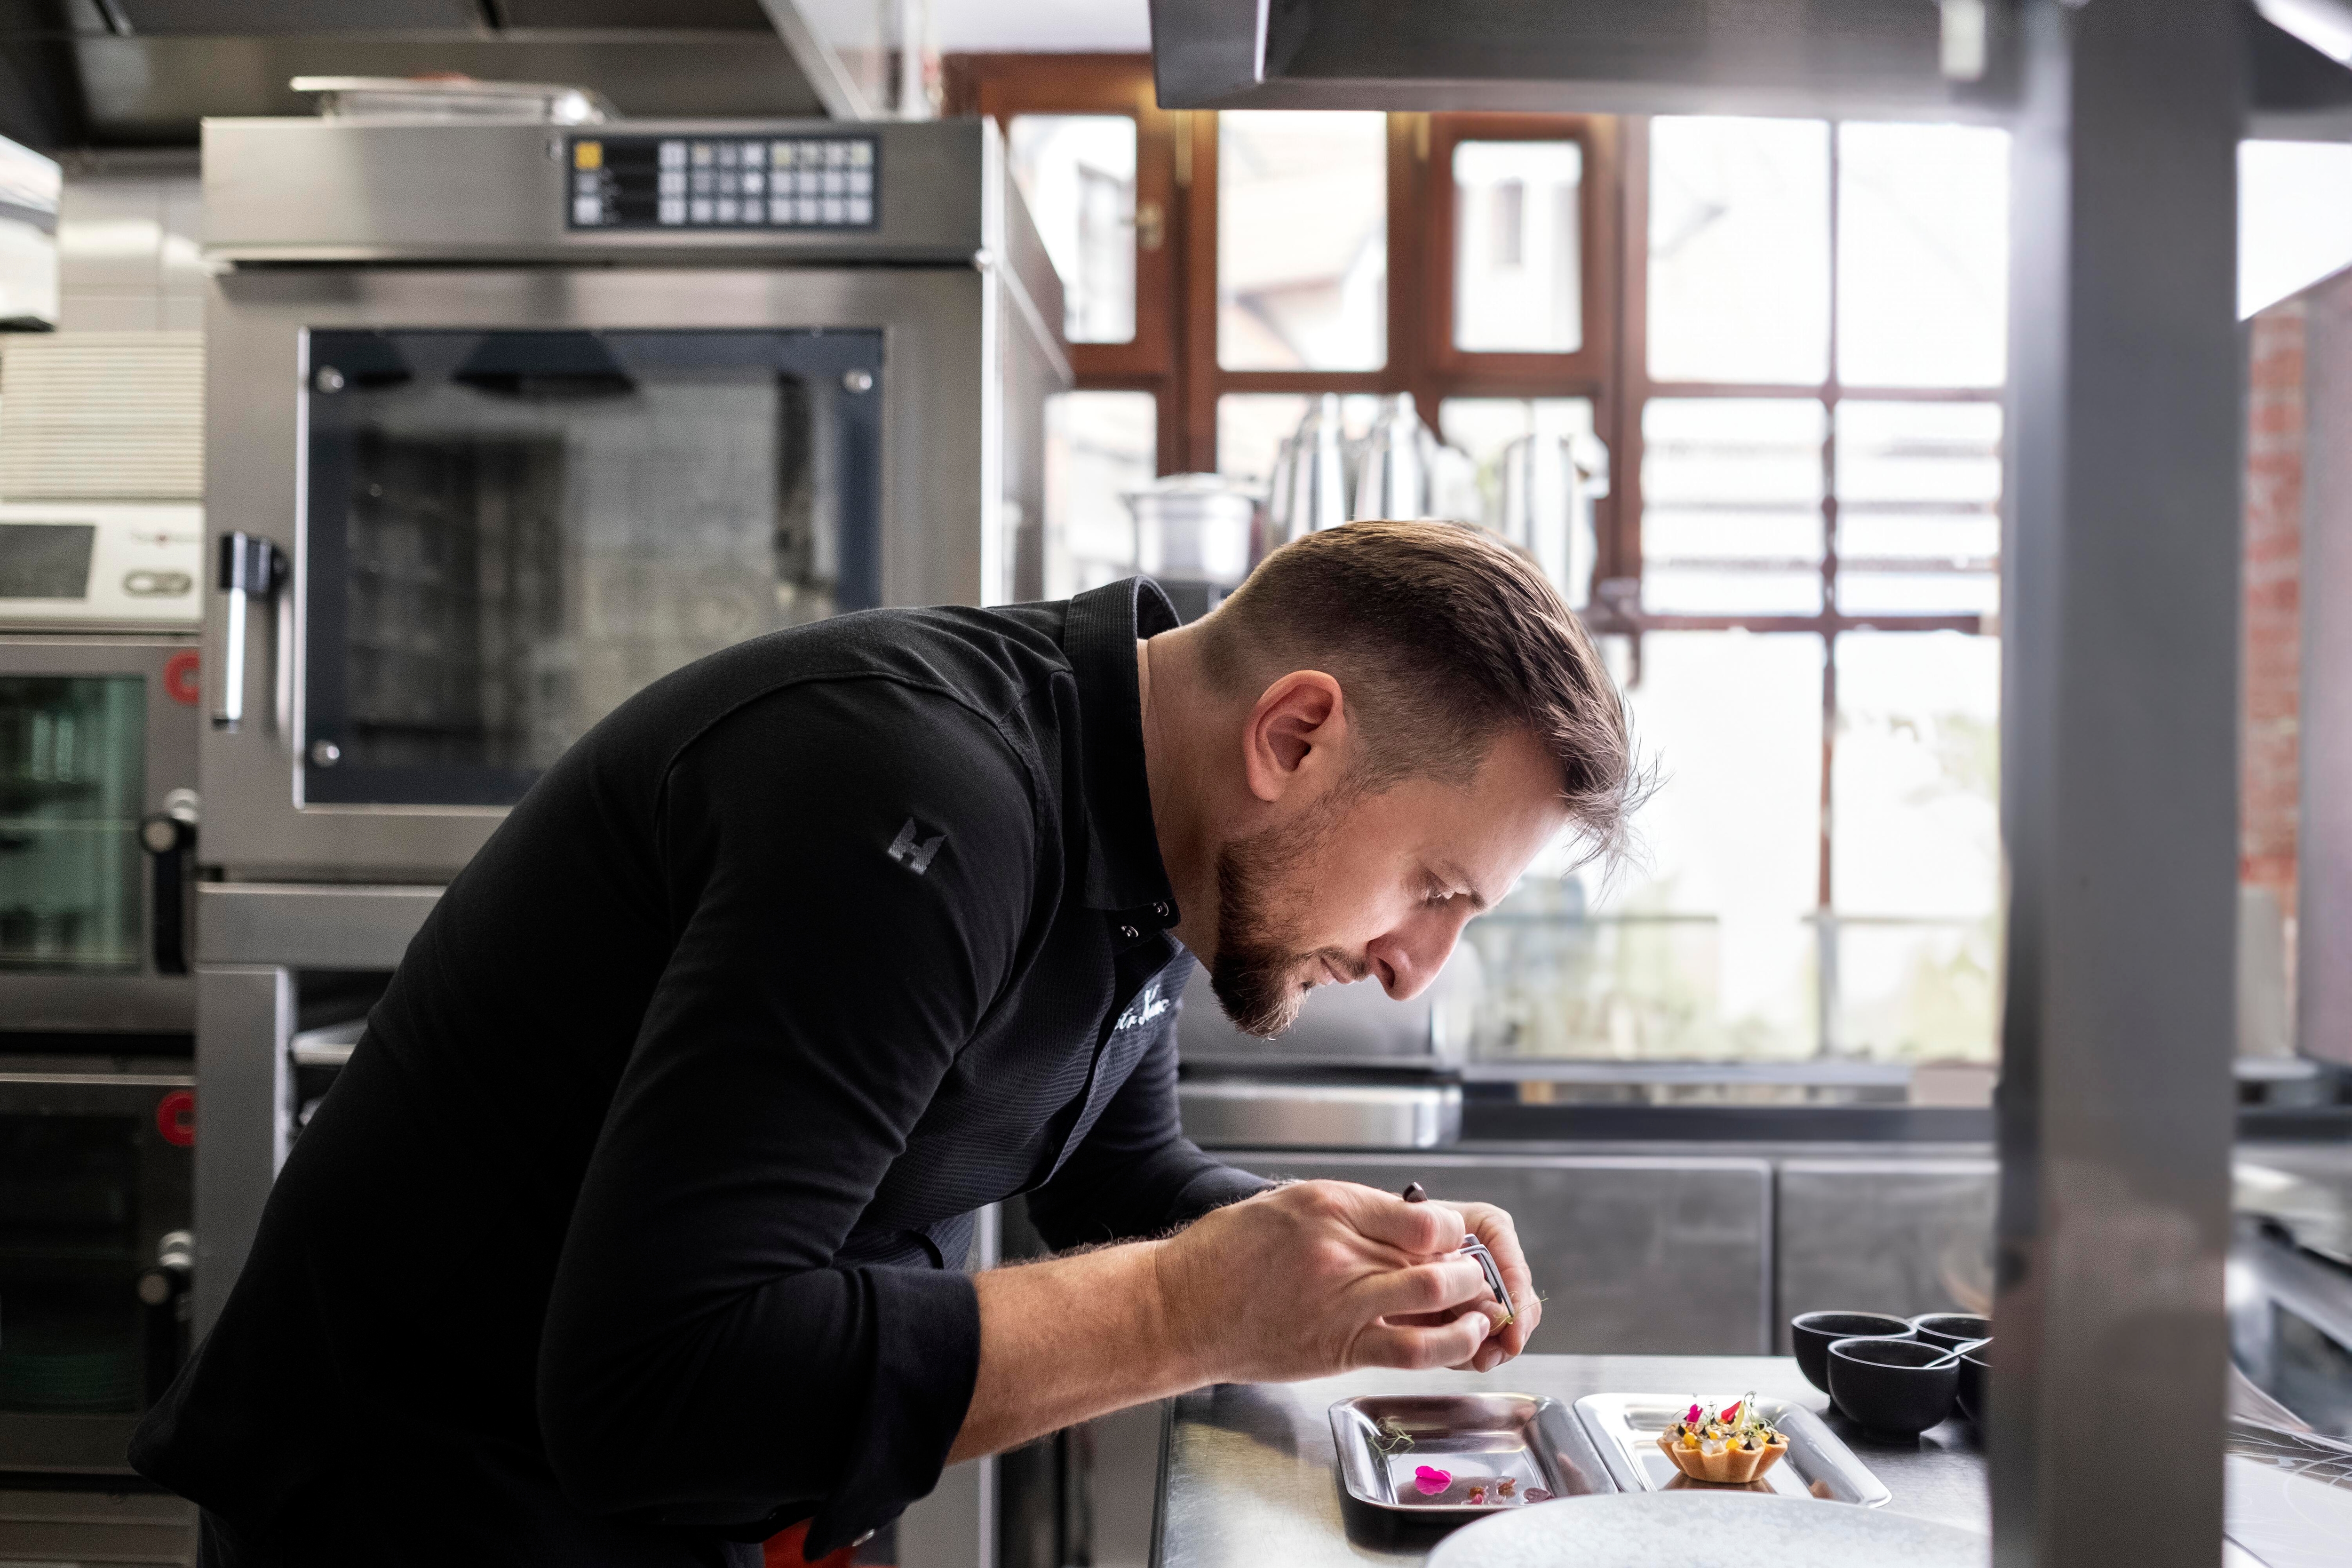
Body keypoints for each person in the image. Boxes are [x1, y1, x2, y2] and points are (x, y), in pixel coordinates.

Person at [132, 519, 1639, 1566]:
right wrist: (1194, 1306)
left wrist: (1345, 1261)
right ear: (1295, 736)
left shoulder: (1153, 818)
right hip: (412, 1506)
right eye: (1434, 889)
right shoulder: (917, 806)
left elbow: (1116, 1171)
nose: (1413, 967)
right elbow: (657, 1388)